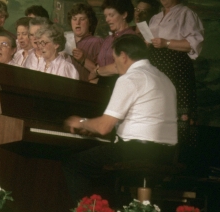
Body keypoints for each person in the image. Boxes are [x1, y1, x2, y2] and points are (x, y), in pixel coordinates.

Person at [64, 34, 177, 202]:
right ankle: (118, 209)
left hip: (138, 151)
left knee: (74, 164)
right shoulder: (165, 78)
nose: (115, 64)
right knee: (102, 162)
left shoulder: (130, 78)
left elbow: (104, 127)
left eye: (115, 58)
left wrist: (81, 122)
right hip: (167, 154)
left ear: (123, 56)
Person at [148, 0, 204, 160]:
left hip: (176, 70)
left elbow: (194, 44)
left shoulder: (186, 14)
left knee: (176, 114)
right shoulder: (155, 18)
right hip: (156, 70)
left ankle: (176, 160)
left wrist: (166, 43)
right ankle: (154, 158)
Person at [91, 0, 135, 87]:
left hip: (120, 85)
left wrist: (96, 71)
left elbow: (119, 66)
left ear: (124, 14)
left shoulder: (131, 38)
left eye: (111, 15)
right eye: (106, 16)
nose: (107, 20)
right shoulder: (108, 39)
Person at [68, 3, 103, 81]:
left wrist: (83, 60)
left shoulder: (97, 42)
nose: (77, 23)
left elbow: (103, 72)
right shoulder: (65, 40)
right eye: (74, 19)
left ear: (90, 22)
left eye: (82, 19)